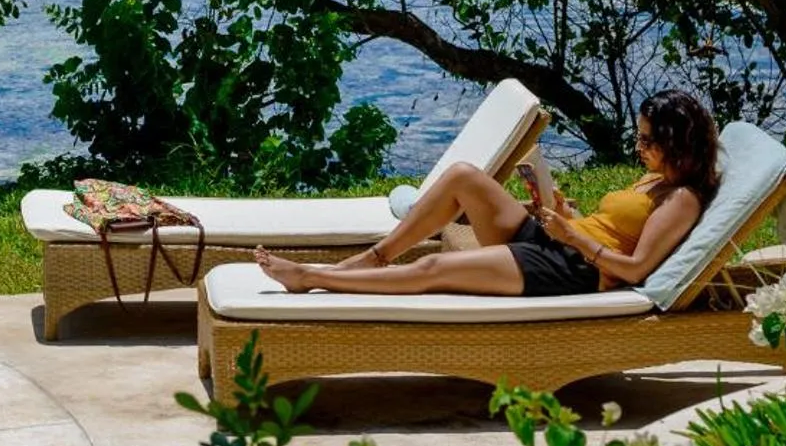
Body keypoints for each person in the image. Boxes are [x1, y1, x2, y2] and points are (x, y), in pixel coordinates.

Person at [255, 90, 720, 298]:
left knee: (433, 268)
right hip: (559, 240)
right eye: (638, 139)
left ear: (676, 143)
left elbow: (637, 269)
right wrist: (566, 213)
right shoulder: (657, 180)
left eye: (646, 141)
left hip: (573, 269)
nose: (638, 149)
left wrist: (575, 238)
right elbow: (618, 226)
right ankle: (374, 258)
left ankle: (314, 278)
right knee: (463, 175)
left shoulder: (681, 200)